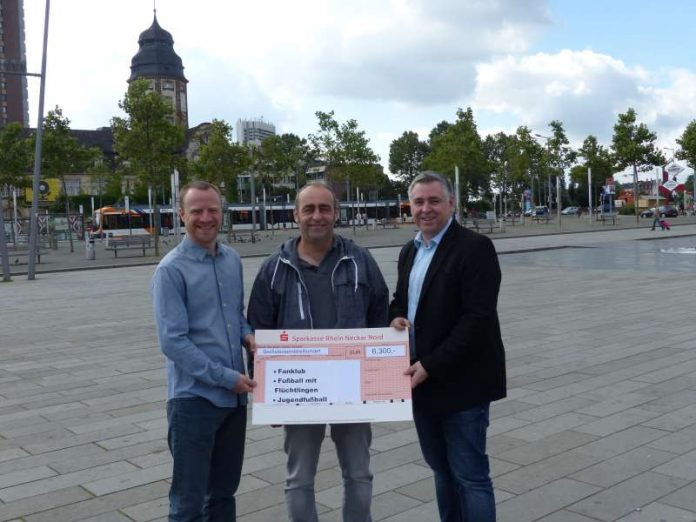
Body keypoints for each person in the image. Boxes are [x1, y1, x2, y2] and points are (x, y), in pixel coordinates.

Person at [247, 181, 389, 522]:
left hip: (351, 388)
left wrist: (381, 377)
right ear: (295, 215)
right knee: (299, 479)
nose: (317, 216)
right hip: (299, 389)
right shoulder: (274, 267)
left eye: (324, 208)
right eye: (308, 209)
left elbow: (380, 314)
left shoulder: (360, 260)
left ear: (336, 214)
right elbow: (257, 330)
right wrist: (267, 395)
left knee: (358, 474)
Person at [389, 171, 506, 522]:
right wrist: (394, 318)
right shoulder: (410, 250)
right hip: (422, 384)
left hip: (462, 384)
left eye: (434, 201)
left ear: (451, 203)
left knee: (470, 476)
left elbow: (477, 318)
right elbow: (401, 300)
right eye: (419, 201)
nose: (426, 209)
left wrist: (430, 364)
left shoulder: (475, 248)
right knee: (441, 470)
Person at [151, 180, 257, 521]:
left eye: (212, 209)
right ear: (181, 215)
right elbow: (173, 342)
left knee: (223, 496)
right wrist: (227, 378)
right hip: (194, 401)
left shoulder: (232, 260)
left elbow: (233, 316)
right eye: (197, 211)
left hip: (233, 401)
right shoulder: (171, 269)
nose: (206, 217)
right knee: (188, 503)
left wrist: (249, 336)